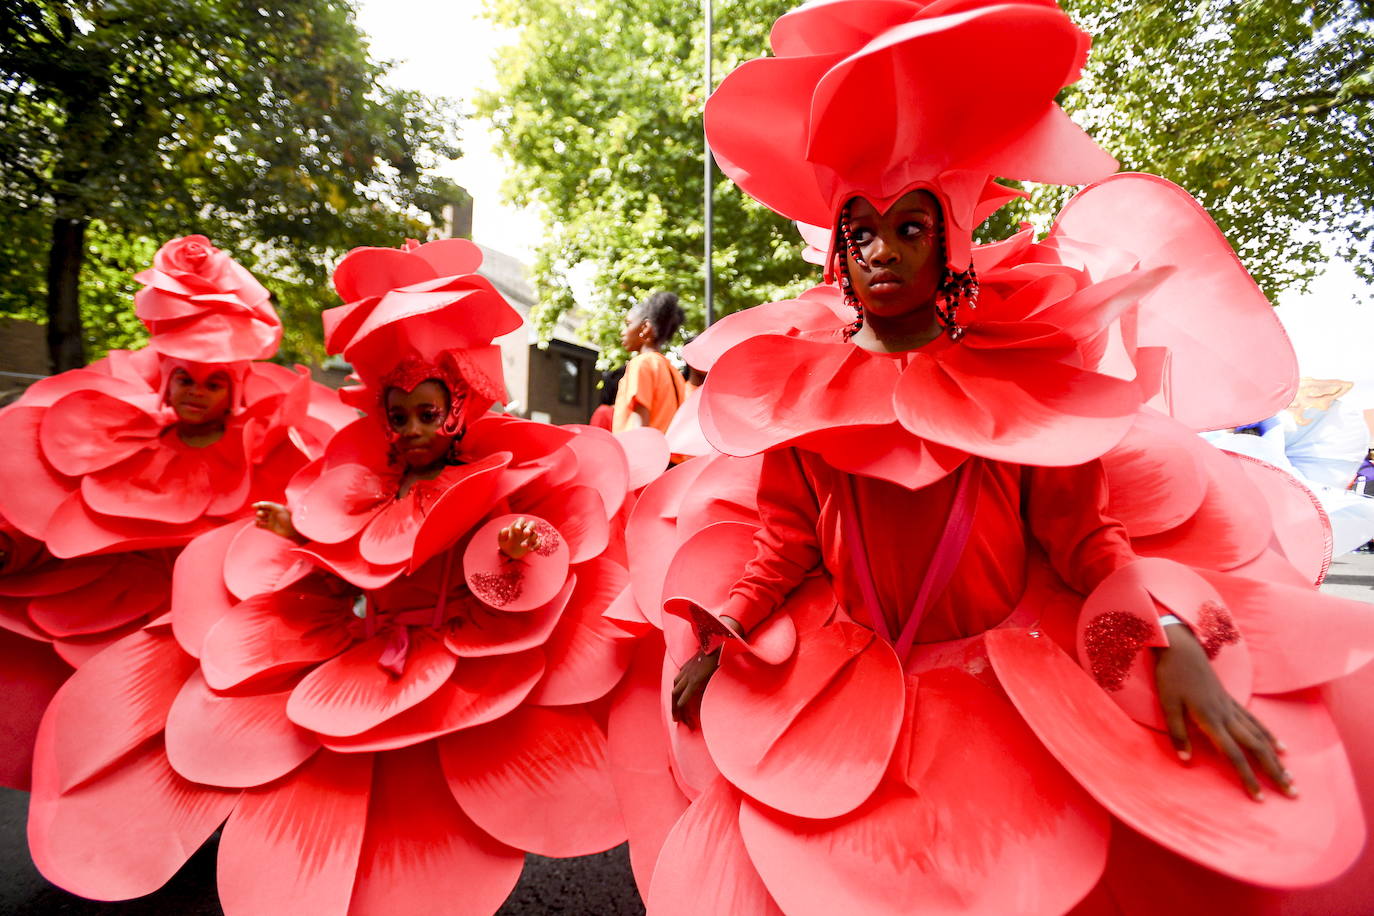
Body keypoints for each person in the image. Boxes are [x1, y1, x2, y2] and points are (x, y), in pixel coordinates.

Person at [607, 2, 1374, 914]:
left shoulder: (1024, 394)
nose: (881, 251)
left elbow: (1085, 540)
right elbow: (785, 541)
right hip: (842, 697)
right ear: (839, 261)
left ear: (952, 246)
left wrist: (1168, 642)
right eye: (860, 231)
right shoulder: (803, 400)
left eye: (909, 228)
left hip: (1005, 699)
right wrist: (722, 638)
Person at [20, 236, 641, 916]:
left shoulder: (492, 478)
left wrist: (520, 543)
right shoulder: (367, 488)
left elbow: (509, 564)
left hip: (457, 661)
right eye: (398, 417)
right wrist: (294, 536)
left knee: (413, 811)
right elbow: (347, 565)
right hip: (360, 655)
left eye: (426, 414)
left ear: (456, 414)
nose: (410, 430)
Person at [0, 234, 347, 790]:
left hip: (215, 625)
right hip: (123, 620)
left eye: (213, 383)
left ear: (232, 392)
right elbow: (48, 507)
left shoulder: (271, 449)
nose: (196, 392)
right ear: (166, 381)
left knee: (196, 732)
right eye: (185, 378)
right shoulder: (123, 441)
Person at [612, 290, 686, 433]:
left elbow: (639, 424)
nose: (623, 332)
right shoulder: (674, 373)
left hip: (642, 452)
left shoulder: (642, 363)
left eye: (628, 324)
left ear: (645, 327)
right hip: (668, 453)